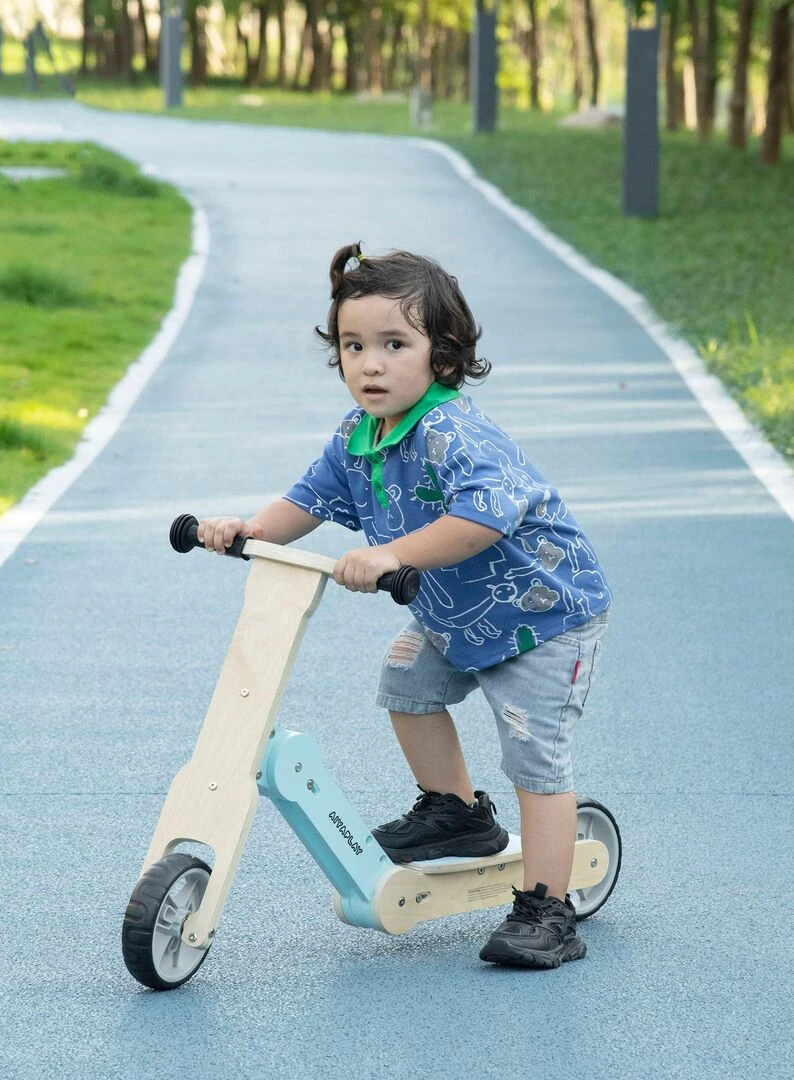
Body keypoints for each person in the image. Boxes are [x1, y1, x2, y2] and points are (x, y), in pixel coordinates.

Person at [198, 242, 612, 970]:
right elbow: (307, 500)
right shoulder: (357, 439)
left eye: (395, 344)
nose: (371, 364)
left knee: (533, 760)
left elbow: (486, 518)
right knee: (408, 688)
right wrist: (252, 529)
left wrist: (393, 554)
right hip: (457, 615)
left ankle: (548, 907)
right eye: (355, 345)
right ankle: (456, 813)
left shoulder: (456, 432)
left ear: (443, 358)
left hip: (544, 616)